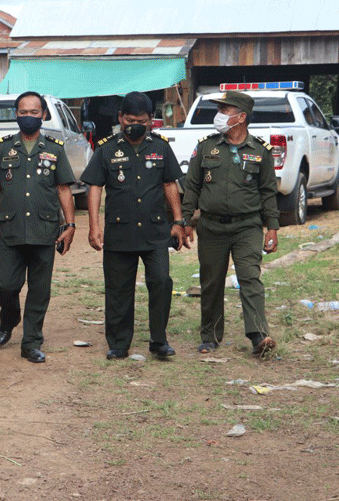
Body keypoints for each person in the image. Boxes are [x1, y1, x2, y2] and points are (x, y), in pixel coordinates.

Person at [81, 91, 186, 360]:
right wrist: (93, 226)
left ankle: (159, 341)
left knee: (161, 282)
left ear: (151, 119)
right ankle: (118, 343)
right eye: (129, 120)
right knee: (118, 289)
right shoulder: (106, 149)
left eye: (141, 120)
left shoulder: (161, 147)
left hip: (155, 231)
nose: (134, 125)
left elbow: (170, 184)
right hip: (120, 231)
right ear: (120, 118)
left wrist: (178, 221)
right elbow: (95, 187)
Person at [181, 90, 279, 357]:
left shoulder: (260, 151)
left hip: (247, 226)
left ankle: (258, 335)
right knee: (211, 281)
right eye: (220, 110)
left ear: (241, 117)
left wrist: (272, 228)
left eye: (225, 111)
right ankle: (210, 336)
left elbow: (268, 192)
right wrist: (186, 219)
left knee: (250, 277)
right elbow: (192, 186)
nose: (219, 115)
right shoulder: (206, 147)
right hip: (211, 226)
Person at [0, 91, 76, 364]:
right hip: (12, 229)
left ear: (43, 115)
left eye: (34, 112)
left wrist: (70, 225)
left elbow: (63, 188)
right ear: (16, 114)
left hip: (44, 230)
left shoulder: (55, 149)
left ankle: (31, 342)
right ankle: (9, 319)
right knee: (6, 285)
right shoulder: (2, 148)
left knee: (39, 290)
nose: (29, 116)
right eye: (23, 112)